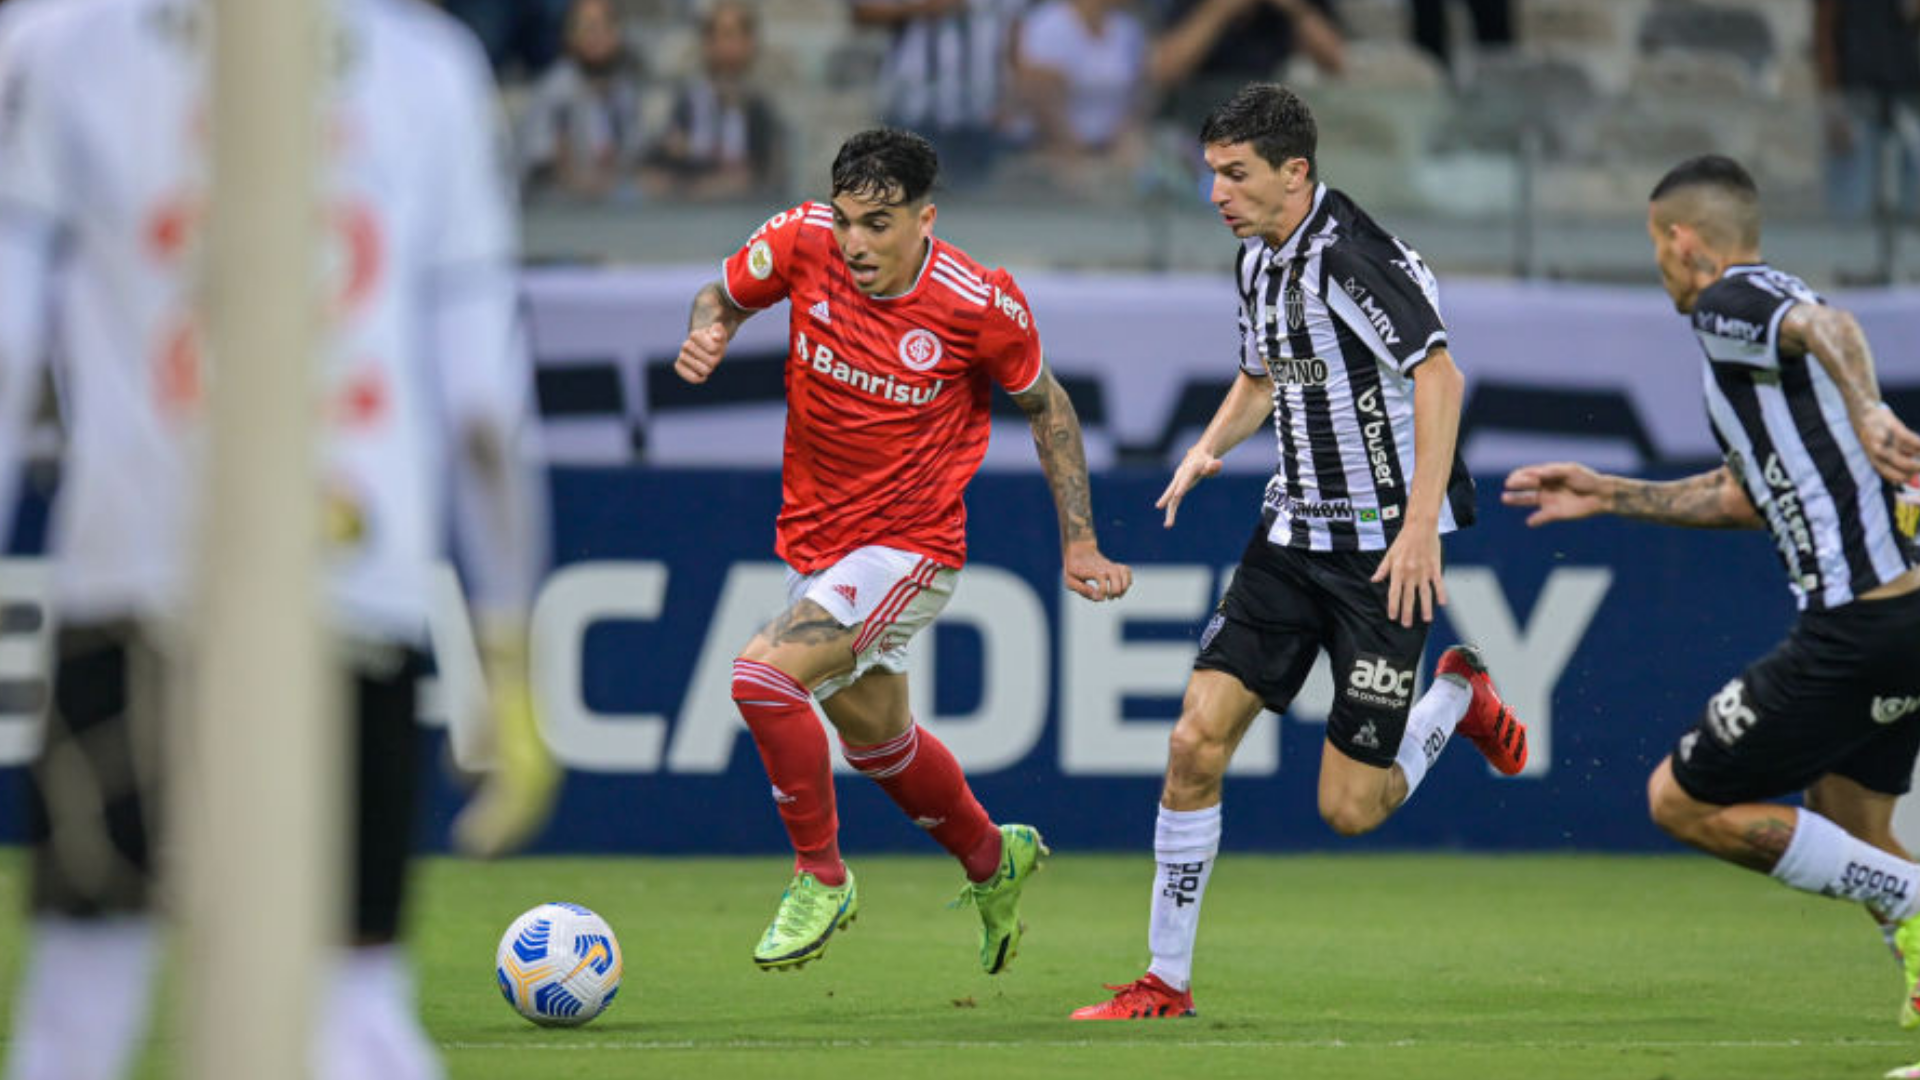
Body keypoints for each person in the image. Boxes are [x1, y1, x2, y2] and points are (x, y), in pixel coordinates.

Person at [0, 1, 556, 1078]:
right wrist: (507, 648)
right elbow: (487, 411)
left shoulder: (59, 45)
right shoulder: (428, 68)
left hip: (131, 578)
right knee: (353, 1006)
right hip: (354, 590)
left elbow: (9, 350)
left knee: (77, 1003)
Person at [1070, 82, 1528, 1021]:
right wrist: (1206, 447)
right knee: (1193, 743)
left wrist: (1418, 526)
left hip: (1382, 558)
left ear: (1295, 172)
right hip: (1288, 538)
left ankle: (1457, 698)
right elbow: (1262, 377)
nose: (1217, 195)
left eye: (1236, 175)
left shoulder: (1353, 259)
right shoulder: (1257, 258)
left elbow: (1441, 380)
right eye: (1212, 174)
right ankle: (1165, 981)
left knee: (1349, 810)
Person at [673, 126, 1132, 973]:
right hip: (816, 542)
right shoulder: (800, 241)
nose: (854, 243)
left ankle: (821, 877)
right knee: (879, 742)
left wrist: (1081, 544)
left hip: (908, 547)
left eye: (877, 224)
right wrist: (711, 330)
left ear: (925, 219)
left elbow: (1049, 406)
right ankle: (993, 857)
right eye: (846, 220)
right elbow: (721, 294)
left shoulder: (977, 303)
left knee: (761, 679)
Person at [1503, 154, 1920, 1033]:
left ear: (1682, 240)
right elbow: (1743, 495)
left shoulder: (1733, 300)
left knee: (1681, 800)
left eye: (1655, 245)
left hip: (1861, 623)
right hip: (1901, 621)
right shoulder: (1760, 337)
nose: (1657, 264)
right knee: (1852, 823)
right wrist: (1610, 494)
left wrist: (1871, 408)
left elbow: (1833, 324)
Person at [850, 0, 1030, 190]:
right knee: (914, 194)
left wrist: (1011, 100)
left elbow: (1015, 33)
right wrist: (923, 8)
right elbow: (862, 13)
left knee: (975, 198)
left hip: (980, 115)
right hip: (915, 110)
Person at [639, 0, 784, 202]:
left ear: (750, 44)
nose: (728, 45)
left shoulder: (763, 109)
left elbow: (771, 178)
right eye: (720, 35)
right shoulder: (683, 104)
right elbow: (653, 175)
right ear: (706, 43)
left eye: (737, 34)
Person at [519, 0, 647, 201]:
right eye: (588, 27)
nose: (597, 36)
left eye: (605, 25)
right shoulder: (553, 91)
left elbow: (635, 159)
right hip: (558, 208)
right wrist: (571, 177)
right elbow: (536, 166)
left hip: (614, 206)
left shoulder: (625, 90)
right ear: (570, 36)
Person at [1813, 0, 1920, 221]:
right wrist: (1832, 105)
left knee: (1913, 206)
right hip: (1856, 98)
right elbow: (1824, 30)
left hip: (1906, 98)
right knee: (1850, 207)